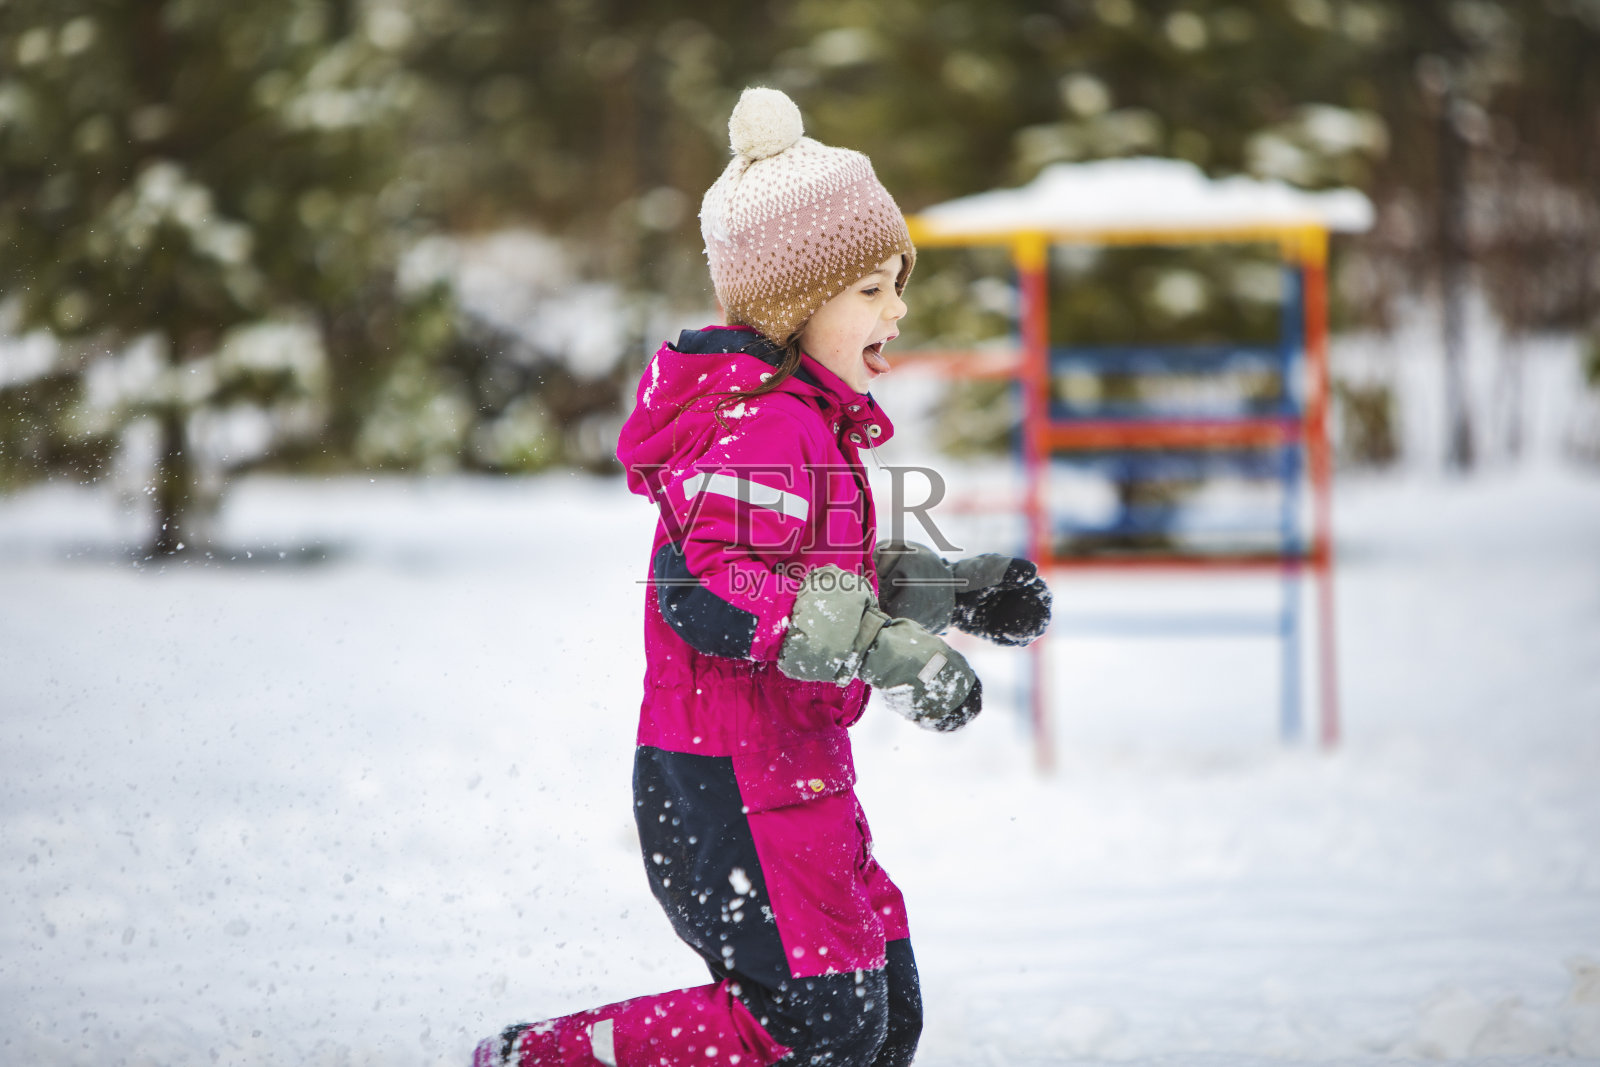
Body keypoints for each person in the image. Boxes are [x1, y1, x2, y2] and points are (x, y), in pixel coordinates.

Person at [473, 87, 1051, 1067]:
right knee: (817, 1019)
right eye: (871, 288)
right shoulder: (764, 423)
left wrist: (949, 589)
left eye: (895, 283)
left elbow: (815, 563)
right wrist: (879, 646)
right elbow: (703, 587)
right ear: (796, 301)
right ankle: (537, 1057)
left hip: (794, 767)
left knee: (882, 1012)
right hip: (728, 774)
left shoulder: (805, 419)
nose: (897, 309)